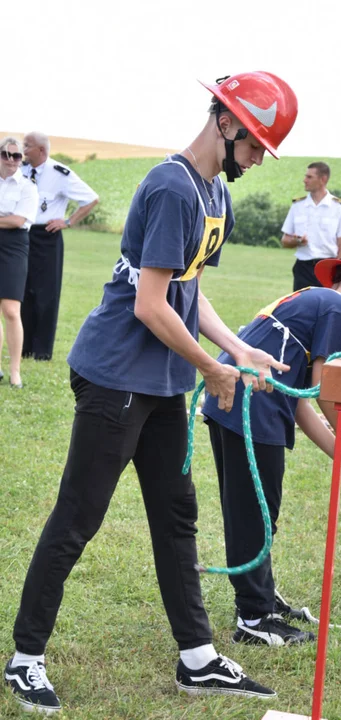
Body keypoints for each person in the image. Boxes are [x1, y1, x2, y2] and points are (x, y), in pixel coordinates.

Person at [4, 71, 298, 714]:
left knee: (176, 515)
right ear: (225, 122)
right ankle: (24, 659)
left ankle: (196, 659)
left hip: (160, 382)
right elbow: (149, 304)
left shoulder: (213, 190)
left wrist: (239, 349)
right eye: (254, 145)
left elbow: (189, 291)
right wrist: (212, 369)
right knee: (78, 516)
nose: (255, 159)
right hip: (115, 377)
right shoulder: (172, 186)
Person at [202, 253, 341, 646]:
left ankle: (262, 600)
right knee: (255, 515)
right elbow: (326, 390)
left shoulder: (314, 300)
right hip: (250, 407)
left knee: (254, 512)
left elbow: (302, 402)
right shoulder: (340, 308)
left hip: (236, 404)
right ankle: (254, 619)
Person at [20, 131, 99, 361]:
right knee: (24, 291)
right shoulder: (21, 170)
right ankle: (24, 347)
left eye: (27, 146)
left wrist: (68, 221)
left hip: (47, 236)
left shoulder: (59, 173)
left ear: (41, 150)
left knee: (46, 293)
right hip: (23, 234)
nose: (23, 149)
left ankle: (42, 350)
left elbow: (91, 198)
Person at [0, 137, 39, 388]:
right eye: (6, 154)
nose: (12, 160)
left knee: (11, 310)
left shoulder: (28, 187)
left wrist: (7, 218)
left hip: (14, 245)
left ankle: (15, 371)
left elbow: (18, 220)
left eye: (17, 156)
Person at [281, 162, 341, 291]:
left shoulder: (339, 207)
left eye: (309, 177)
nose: (304, 180)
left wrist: (340, 273)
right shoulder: (298, 206)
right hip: (303, 268)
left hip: (328, 268)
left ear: (323, 179)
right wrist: (297, 240)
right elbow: (285, 241)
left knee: (326, 308)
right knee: (302, 308)